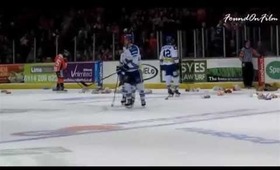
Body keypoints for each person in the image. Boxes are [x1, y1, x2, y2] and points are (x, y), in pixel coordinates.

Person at [117, 34, 146, 108]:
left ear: (129, 40)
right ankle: (129, 100)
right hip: (128, 71)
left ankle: (143, 100)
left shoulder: (134, 48)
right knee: (127, 85)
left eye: (126, 39)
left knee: (140, 86)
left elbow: (133, 60)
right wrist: (121, 68)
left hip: (135, 71)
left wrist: (126, 66)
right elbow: (124, 60)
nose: (124, 41)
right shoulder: (125, 49)